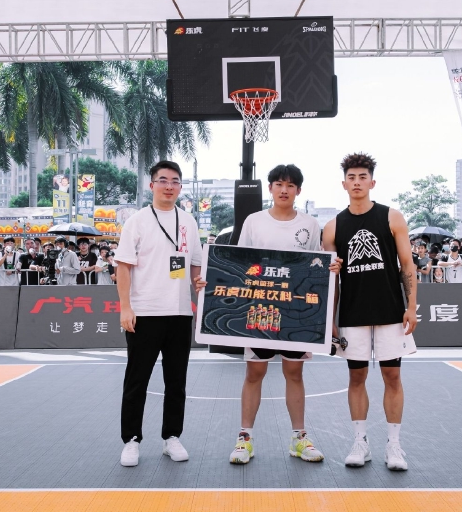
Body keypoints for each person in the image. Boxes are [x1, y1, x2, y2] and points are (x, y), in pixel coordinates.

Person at [229, 164, 330, 466]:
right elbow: (241, 263)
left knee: (294, 373)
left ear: (298, 190)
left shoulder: (310, 224)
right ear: (271, 188)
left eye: (290, 185)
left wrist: (329, 268)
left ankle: (299, 438)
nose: (284, 190)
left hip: (295, 312)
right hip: (261, 310)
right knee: (254, 373)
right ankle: (245, 438)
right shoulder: (254, 221)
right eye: (279, 184)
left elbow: (315, 266)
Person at [323, 153, 417, 472]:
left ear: (372, 182)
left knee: (393, 375)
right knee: (356, 376)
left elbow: (407, 265)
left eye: (362, 177)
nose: (357, 182)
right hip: (353, 313)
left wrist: (411, 306)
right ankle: (360, 442)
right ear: (344, 184)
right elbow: (330, 278)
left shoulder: (392, 217)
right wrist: (330, 319)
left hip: (390, 310)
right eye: (351, 177)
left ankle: (394, 445)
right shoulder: (333, 226)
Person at [115, 160, 206, 468]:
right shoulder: (137, 221)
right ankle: (131, 440)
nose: (169, 186)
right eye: (163, 180)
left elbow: (195, 264)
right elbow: (123, 267)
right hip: (144, 313)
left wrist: (199, 286)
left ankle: (172, 437)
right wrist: (126, 307)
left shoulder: (188, 221)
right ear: (152, 185)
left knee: (176, 382)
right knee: (137, 380)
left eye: (175, 181)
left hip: (179, 313)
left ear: (180, 186)